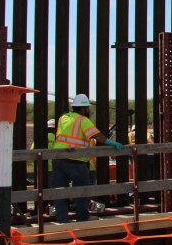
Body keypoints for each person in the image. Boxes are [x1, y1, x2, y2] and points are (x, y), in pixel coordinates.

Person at [51, 94, 123, 223]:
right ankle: (83, 217)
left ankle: (62, 219)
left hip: (58, 159)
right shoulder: (83, 120)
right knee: (83, 190)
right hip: (75, 160)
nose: (89, 111)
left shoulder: (63, 118)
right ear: (83, 108)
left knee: (60, 191)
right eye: (88, 108)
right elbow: (97, 136)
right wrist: (111, 143)